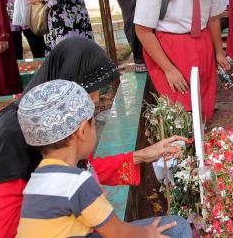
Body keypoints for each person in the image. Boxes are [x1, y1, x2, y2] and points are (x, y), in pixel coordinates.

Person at [0, 37, 188, 238]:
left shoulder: (43, 133)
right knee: (176, 228)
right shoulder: (11, 135)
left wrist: (142, 155)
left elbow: (70, 174)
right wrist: (78, 206)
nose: (97, 98)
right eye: (91, 88)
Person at [16, 80, 191, 238]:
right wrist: (148, 233)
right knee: (178, 228)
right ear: (82, 131)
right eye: (94, 121)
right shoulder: (78, 183)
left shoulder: (35, 181)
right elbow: (119, 233)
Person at [134, 0, 229, 121]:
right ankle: (182, 142)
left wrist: (218, 52)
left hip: (202, 45)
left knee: (202, 99)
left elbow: (213, 20)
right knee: (178, 106)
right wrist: (168, 69)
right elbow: (143, 31)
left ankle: (200, 137)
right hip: (169, 50)